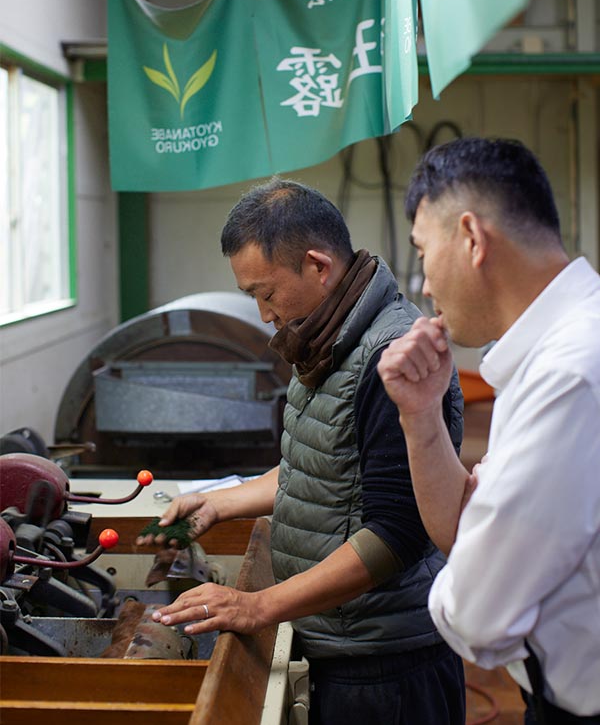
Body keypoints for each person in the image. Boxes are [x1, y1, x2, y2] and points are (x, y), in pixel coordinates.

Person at [140, 177, 466, 725]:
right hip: (338, 639)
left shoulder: (391, 357)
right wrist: (220, 504)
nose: (265, 315)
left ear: (318, 266)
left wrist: (256, 606)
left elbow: (396, 534)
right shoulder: (325, 339)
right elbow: (319, 468)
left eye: (265, 293)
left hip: (385, 668)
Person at [377, 137, 600, 723]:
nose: (424, 285)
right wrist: (421, 414)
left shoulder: (569, 377)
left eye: (423, 252)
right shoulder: (563, 352)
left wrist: (480, 551)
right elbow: (462, 535)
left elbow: (479, 616)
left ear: (472, 239)